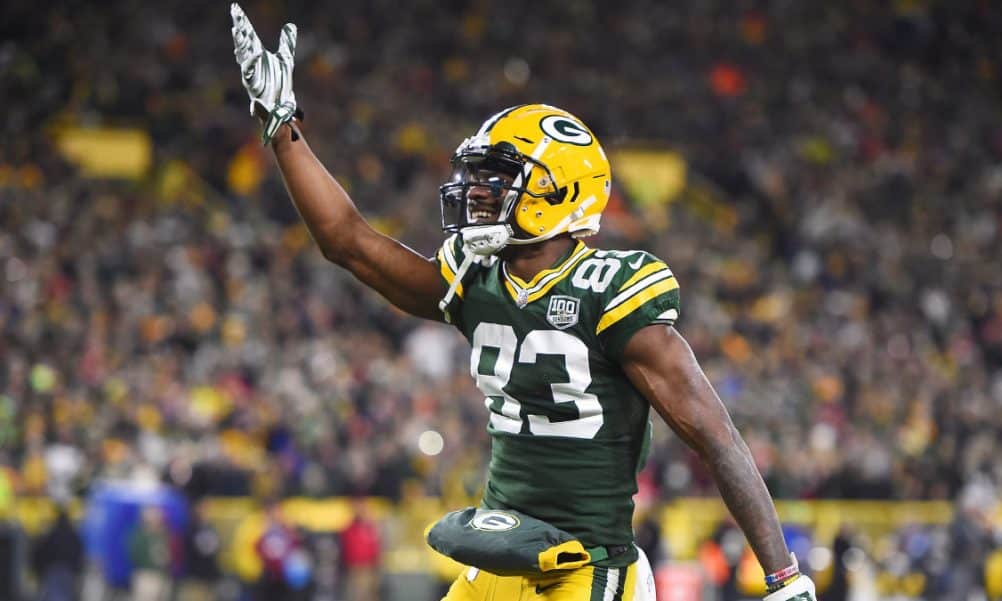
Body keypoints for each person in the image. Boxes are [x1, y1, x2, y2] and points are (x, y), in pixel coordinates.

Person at [228, 5, 817, 600]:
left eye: (499, 178)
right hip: (502, 553)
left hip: (586, 565)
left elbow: (715, 436)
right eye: (478, 175)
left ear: (557, 192)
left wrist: (783, 577)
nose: (478, 191)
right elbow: (348, 243)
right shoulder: (476, 277)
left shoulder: (609, 290)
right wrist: (282, 128)